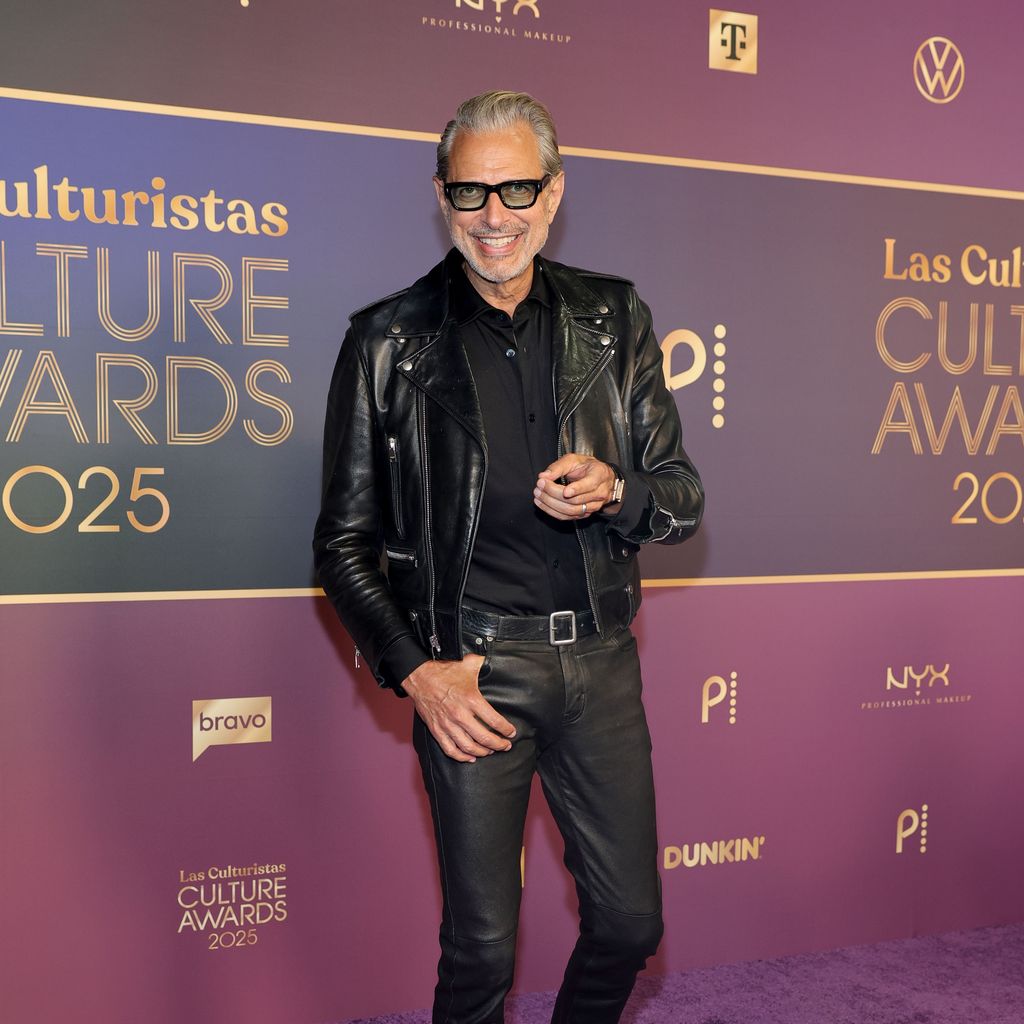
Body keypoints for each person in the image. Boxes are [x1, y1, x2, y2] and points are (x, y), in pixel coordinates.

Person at [314, 90, 703, 1024]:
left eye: (518, 189)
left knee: (630, 923)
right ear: (442, 197)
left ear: (554, 191)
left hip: (600, 665)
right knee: (482, 949)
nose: (495, 216)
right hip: (473, 674)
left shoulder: (613, 317)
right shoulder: (387, 340)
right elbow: (342, 543)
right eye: (471, 192)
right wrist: (419, 675)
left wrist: (616, 490)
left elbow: (681, 497)